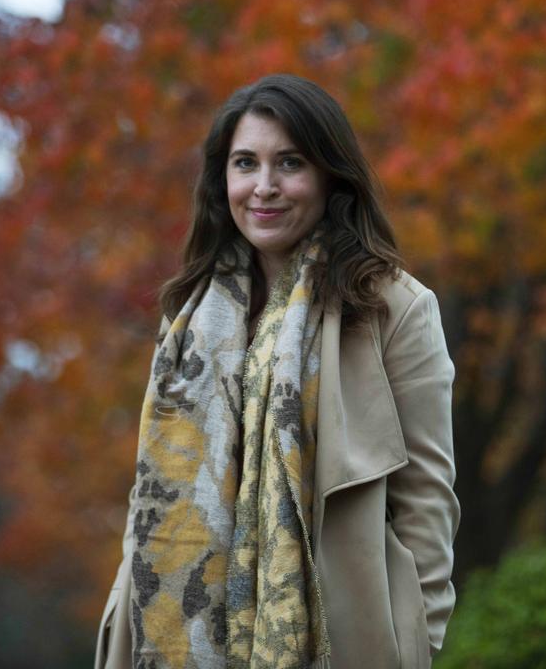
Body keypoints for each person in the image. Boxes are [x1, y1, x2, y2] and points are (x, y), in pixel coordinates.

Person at [95, 74, 459, 669]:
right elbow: (150, 493)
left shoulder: (393, 307)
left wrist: (415, 638)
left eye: (289, 163)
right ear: (223, 180)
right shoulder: (187, 319)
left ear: (328, 176)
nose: (264, 187)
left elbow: (428, 500)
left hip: (344, 641)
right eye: (246, 164)